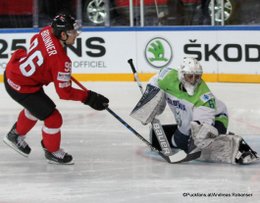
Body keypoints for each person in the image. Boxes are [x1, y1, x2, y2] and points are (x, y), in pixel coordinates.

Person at [3, 13, 109, 165]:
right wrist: (89, 97)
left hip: (13, 73)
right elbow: (64, 93)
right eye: (73, 32)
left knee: (37, 108)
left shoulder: (46, 31)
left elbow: (36, 42)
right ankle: (52, 151)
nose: (76, 34)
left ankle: (15, 135)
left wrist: (51, 68)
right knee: (53, 118)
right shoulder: (61, 61)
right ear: (63, 34)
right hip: (22, 87)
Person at [131, 57, 258, 164]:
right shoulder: (167, 77)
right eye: (189, 76)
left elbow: (204, 125)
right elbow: (155, 80)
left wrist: (201, 137)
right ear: (181, 75)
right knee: (177, 142)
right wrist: (149, 102)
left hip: (217, 117)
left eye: (197, 77)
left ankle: (235, 144)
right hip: (186, 120)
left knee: (202, 145)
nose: (194, 81)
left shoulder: (204, 98)